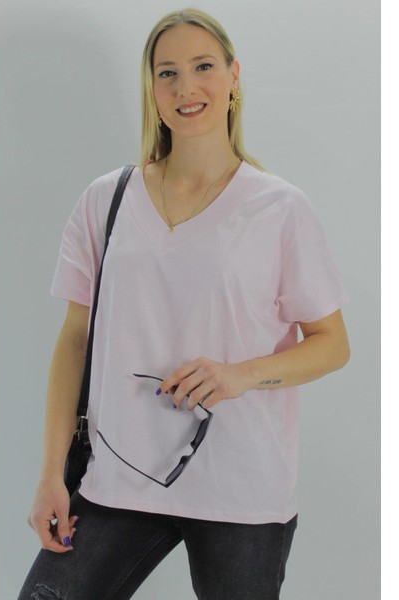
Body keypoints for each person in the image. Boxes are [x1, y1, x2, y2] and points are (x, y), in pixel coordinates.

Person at [18, 7, 350, 600]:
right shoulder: (105, 200)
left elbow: (333, 345)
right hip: (116, 479)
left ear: (233, 76)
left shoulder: (280, 209)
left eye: (202, 67)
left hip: (241, 489)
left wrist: (239, 375)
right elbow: (74, 340)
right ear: (151, 87)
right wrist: (50, 475)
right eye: (167, 72)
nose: (185, 87)